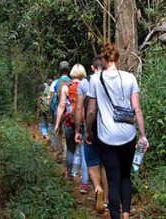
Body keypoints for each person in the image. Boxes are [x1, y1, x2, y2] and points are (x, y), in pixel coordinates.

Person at [85, 43, 148, 219]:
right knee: (125, 177)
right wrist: (142, 135)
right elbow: (137, 109)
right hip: (128, 135)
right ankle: (126, 214)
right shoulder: (129, 78)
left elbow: (91, 111)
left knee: (112, 182)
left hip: (107, 138)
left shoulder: (95, 80)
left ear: (104, 60)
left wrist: (88, 131)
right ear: (117, 59)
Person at [75, 55, 109, 212]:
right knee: (105, 164)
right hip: (108, 129)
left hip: (91, 128)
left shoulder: (84, 83)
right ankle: (106, 200)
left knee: (92, 162)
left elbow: (80, 108)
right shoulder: (111, 80)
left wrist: (80, 130)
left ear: (92, 67)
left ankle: (96, 189)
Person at [54, 63, 87, 179]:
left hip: (69, 121)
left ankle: (70, 174)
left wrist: (57, 124)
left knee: (70, 149)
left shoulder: (66, 87)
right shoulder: (86, 86)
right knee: (84, 151)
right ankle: (84, 180)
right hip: (83, 122)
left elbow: (61, 106)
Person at [49, 61, 71, 155]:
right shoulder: (72, 82)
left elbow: (51, 99)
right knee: (67, 133)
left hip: (58, 111)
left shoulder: (55, 83)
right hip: (69, 112)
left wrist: (51, 112)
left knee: (58, 132)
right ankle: (67, 155)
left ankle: (59, 154)